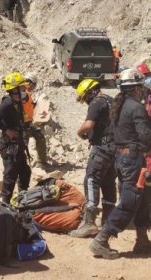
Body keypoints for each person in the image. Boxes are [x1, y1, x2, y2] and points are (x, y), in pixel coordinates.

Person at [90, 69, 151, 259]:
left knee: (144, 197)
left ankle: (142, 240)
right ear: (135, 88)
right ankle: (101, 239)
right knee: (130, 201)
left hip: (123, 158)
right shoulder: (136, 107)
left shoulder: (120, 105)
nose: (142, 90)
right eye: (141, 87)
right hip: (132, 160)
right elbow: (145, 136)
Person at [69, 79, 117, 238]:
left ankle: (89, 223)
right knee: (108, 182)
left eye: (84, 98)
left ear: (90, 92)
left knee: (91, 180)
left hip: (102, 149)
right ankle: (108, 221)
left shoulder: (96, 102)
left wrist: (79, 132)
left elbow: (88, 125)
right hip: (114, 149)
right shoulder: (112, 100)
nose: (85, 102)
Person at [0, 71, 31, 204]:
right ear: (14, 90)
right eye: (22, 88)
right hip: (10, 147)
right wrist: (6, 130)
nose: (24, 90)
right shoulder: (7, 103)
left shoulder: (16, 101)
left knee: (25, 172)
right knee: (10, 175)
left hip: (18, 145)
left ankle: (21, 199)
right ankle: (5, 204)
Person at [21, 73, 48, 168]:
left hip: (28, 123)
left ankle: (41, 163)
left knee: (40, 137)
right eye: (34, 84)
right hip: (21, 125)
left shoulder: (27, 93)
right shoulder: (22, 93)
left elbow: (30, 106)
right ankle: (20, 168)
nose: (34, 87)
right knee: (22, 145)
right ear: (29, 83)